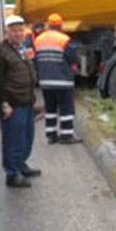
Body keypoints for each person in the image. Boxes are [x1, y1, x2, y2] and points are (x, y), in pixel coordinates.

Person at [0, 15, 43, 188]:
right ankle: (12, 174)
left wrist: (33, 99)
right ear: (7, 32)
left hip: (26, 101)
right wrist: (4, 103)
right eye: (13, 30)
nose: (18, 33)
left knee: (27, 137)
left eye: (20, 30)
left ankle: (21, 165)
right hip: (12, 104)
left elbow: (29, 71)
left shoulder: (24, 48)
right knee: (13, 139)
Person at [34, 13, 81, 144]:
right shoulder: (64, 39)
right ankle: (66, 136)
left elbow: (34, 59)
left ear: (48, 25)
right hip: (63, 81)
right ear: (60, 25)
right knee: (66, 108)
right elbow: (72, 58)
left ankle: (51, 135)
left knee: (50, 109)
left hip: (45, 82)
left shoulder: (38, 39)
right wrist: (75, 68)